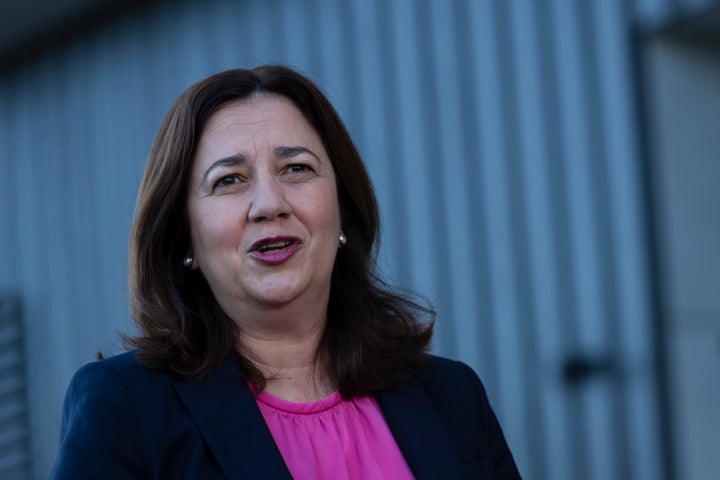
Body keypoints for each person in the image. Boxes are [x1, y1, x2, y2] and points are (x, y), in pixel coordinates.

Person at [50, 65, 521, 479]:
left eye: (296, 168)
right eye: (228, 180)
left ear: (342, 210)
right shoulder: (126, 406)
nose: (269, 204)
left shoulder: (451, 395)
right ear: (184, 238)